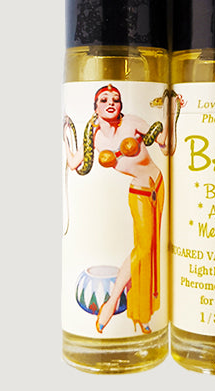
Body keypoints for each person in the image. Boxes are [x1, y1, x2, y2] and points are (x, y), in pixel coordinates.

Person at [64, 84, 176, 334]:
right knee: (142, 249)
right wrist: (66, 133)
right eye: (104, 100)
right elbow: (75, 163)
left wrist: (171, 113)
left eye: (115, 99)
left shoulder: (133, 122)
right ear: (95, 108)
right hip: (139, 192)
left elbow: (165, 145)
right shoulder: (95, 138)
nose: (111, 103)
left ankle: (143, 313)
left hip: (158, 184)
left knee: (152, 252)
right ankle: (113, 301)